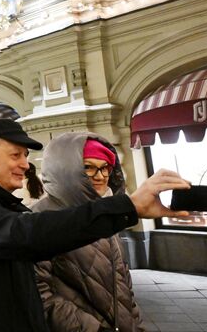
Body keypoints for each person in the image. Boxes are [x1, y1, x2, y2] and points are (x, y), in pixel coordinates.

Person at [0, 119, 192, 332]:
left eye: (26, 156)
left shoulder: (1, 204)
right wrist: (128, 207)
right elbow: (30, 234)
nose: (26, 165)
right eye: (15, 155)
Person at [33, 134, 146, 331]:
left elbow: (122, 282)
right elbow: (38, 293)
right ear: (66, 170)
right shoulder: (39, 217)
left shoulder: (105, 211)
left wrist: (136, 324)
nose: (101, 176)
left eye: (105, 168)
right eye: (88, 167)